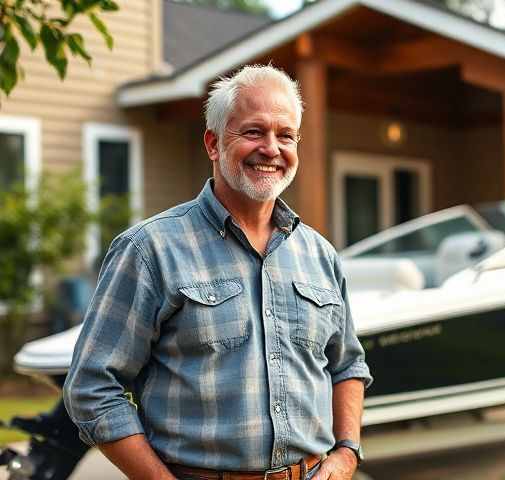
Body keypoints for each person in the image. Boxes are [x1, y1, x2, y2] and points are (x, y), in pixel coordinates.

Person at [63, 64, 372, 480]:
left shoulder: (319, 254)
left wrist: (348, 452)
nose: (271, 148)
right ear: (213, 143)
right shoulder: (150, 249)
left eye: (285, 135)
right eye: (253, 132)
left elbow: (348, 366)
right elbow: (91, 388)